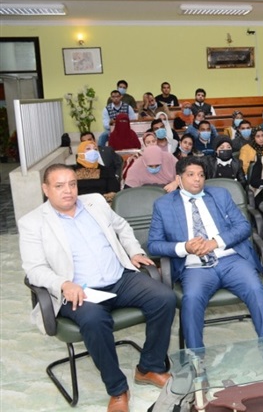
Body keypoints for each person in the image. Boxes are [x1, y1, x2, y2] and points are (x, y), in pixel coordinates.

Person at [19, 165, 175, 412]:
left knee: (164, 297)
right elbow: (34, 268)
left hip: (119, 279)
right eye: (59, 186)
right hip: (79, 290)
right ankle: (117, 389)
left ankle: (149, 367)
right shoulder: (32, 222)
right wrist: (63, 284)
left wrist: (134, 251)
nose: (68, 191)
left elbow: (122, 226)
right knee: (93, 320)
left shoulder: (95, 202)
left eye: (72, 184)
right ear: (45, 189)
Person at [148, 156, 263, 349]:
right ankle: (196, 359)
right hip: (195, 267)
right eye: (191, 175)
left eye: (201, 175)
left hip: (230, 260)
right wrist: (185, 247)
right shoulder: (163, 205)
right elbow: (154, 245)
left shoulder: (220, 195)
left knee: (256, 290)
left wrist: (215, 243)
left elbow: (243, 226)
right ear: (179, 178)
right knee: (191, 300)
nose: (197, 179)